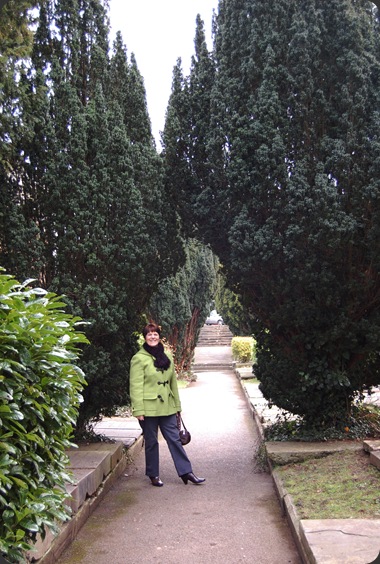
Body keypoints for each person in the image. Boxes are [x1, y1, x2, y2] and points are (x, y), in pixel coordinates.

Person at [129, 323, 205, 487]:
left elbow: (173, 384)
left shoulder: (167, 356)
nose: (152, 337)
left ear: (159, 336)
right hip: (148, 408)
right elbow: (135, 386)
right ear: (145, 337)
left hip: (167, 406)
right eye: (149, 334)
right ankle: (153, 474)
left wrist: (177, 407)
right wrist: (138, 410)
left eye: (155, 334)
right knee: (151, 441)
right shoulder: (138, 359)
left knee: (175, 439)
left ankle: (186, 472)